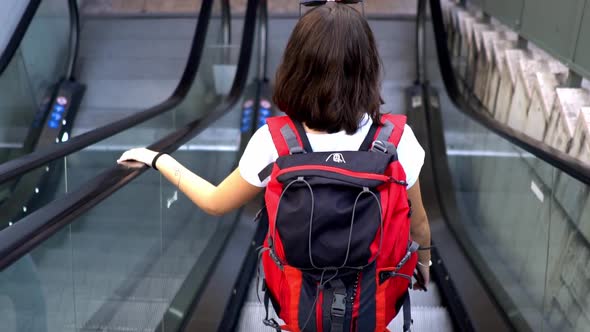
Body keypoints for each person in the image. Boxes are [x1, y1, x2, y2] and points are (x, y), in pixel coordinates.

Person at [117, 0, 431, 301]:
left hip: (300, 301)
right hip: (371, 299)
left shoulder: (275, 141)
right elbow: (418, 224)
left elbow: (215, 203)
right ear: (368, 67)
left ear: (296, 67)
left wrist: (158, 159)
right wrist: (424, 265)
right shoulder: (395, 139)